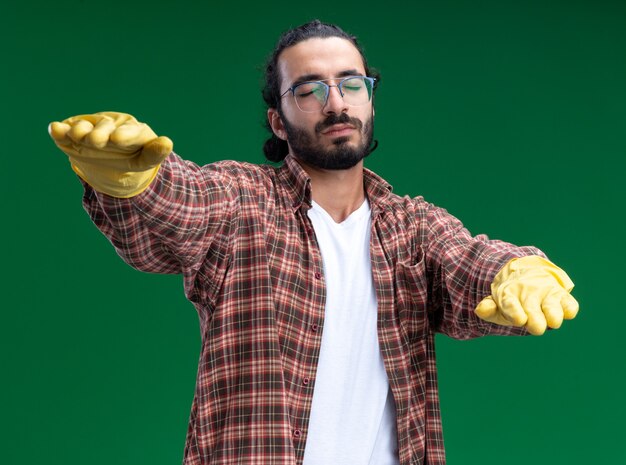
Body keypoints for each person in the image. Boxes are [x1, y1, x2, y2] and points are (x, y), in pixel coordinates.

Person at [48, 19, 578, 465]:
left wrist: (518, 270)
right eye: (309, 89)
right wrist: (133, 180)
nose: (336, 103)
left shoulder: (412, 228)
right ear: (278, 120)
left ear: (370, 100)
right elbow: (183, 205)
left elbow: (469, 260)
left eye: (351, 84)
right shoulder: (242, 201)